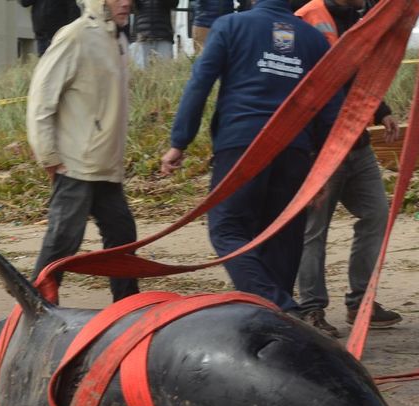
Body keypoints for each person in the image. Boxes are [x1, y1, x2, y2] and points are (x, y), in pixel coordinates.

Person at [161, 0, 339, 316]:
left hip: (242, 144)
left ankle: (281, 308)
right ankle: (277, 325)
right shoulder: (312, 39)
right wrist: (321, 169)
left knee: (227, 230)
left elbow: (200, 82)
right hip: (294, 150)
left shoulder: (231, 26)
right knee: (283, 236)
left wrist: (180, 141)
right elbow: (329, 109)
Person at [294, 0, 403, 337]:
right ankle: (311, 309)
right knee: (314, 231)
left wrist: (381, 109)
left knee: (376, 215)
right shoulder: (308, 16)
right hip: (321, 148)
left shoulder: (361, 19)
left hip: (356, 143)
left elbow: (360, 72)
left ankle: (360, 304)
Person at [27, 0, 140, 303]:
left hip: (107, 167)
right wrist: (48, 157)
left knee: (123, 240)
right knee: (62, 243)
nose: (127, 3)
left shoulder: (119, 40)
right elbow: (41, 100)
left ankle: (127, 309)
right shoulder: (74, 36)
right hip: (75, 165)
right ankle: (35, 309)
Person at [130, 0, 179, 68]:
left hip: (163, 36)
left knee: (165, 72)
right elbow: (130, 7)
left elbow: (174, 3)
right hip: (141, 37)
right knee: (140, 72)